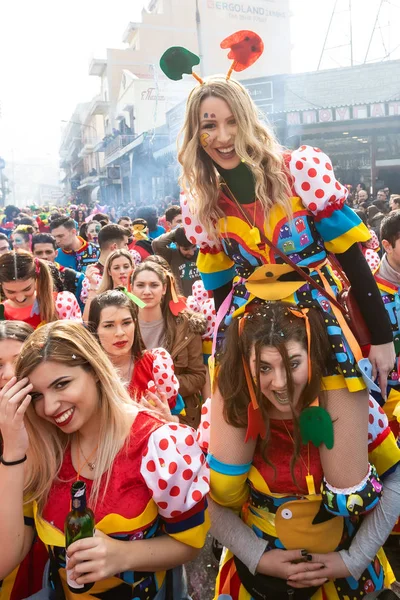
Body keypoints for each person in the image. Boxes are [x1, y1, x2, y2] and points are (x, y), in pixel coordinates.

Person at [179, 74, 395, 496]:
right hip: (252, 332)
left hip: (323, 329)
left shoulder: (299, 170)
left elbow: (353, 261)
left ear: (247, 120)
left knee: (352, 476)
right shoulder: (199, 200)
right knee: (226, 481)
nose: (222, 137)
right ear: (195, 132)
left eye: (231, 122)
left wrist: (382, 339)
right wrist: (233, 350)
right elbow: (221, 284)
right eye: (208, 125)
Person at [203, 304, 400, 600]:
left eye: (293, 364)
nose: (280, 383)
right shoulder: (227, 415)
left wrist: (353, 559)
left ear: (313, 356)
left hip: (349, 580)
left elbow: (395, 479)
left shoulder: (351, 409)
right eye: (264, 368)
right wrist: (257, 556)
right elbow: (199, 494)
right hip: (257, 582)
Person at [0, 321, 209, 598]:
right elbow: (5, 559)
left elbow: (190, 543)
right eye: (37, 395)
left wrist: (123, 555)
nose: (49, 407)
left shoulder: (161, 445)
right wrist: (13, 452)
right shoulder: (42, 448)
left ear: (95, 370)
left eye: (62, 384)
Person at [88, 288, 184, 419]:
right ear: (95, 330)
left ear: (135, 323)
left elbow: (177, 418)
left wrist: (168, 419)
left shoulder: (156, 365)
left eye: (126, 323)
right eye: (109, 325)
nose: (120, 332)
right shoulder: (88, 373)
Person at [132, 262, 206, 428]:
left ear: (164, 289)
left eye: (154, 285)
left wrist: (165, 386)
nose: (147, 291)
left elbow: (198, 376)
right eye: (140, 285)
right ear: (131, 289)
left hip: (178, 415)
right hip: (133, 414)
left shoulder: (186, 325)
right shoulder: (122, 324)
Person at [0, 251, 82, 327]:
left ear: (36, 279)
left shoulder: (61, 303)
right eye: (11, 292)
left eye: (27, 289)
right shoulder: (2, 312)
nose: (20, 298)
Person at [32, 233, 86, 310]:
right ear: (32, 254)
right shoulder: (28, 277)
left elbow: (82, 310)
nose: (44, 256)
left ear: (56, 253)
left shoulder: (75, 278)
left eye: (48, 252)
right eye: (39, 253)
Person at [82, 249, 135, 322]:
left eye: (126, 267)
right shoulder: (101, 298)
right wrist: (93, 285)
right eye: (116, 268)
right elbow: (88, 321)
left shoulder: (139, 294)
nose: (122, 271)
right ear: (109, 272)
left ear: (132, 268)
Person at [152, 226, 201, 297]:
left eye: (193, 247)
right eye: (186, 249)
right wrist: (180, 231)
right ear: (177, 245)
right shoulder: (171, 255)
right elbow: (157, 243)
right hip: (182, 302)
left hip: (203, 301)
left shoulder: (201, 253)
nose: (191, 253)